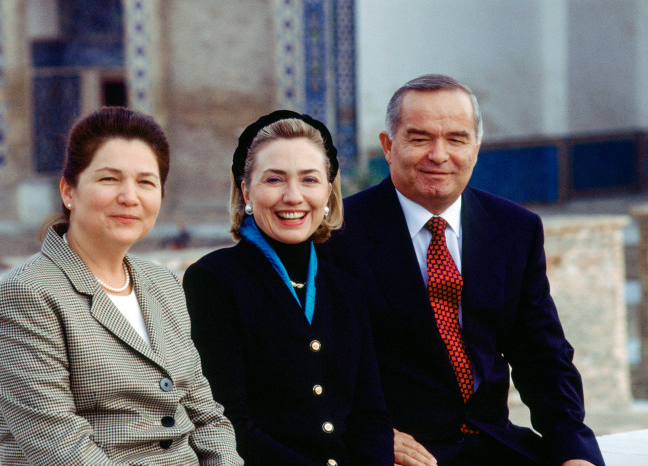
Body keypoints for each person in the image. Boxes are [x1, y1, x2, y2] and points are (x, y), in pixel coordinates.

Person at [325, 75, 605, 466]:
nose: (439, 155)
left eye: (456, 139)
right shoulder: (336, 236)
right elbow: (314, 365)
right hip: (397, 452)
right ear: (388, 146)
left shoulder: (514, 229)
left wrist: (574, 452)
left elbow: (543, 356)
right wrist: (366, 434)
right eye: (419, 138)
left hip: (495, 445)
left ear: (476, 148)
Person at [0, 107, 242, 466]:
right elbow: (61, 449)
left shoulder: (162, 284)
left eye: (146, 182)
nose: (130, 197)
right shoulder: (27, 296)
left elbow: (206, 414)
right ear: (69, 191)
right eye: (109, 179)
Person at [182, 110, 394, 466]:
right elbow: (228, 422)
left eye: (309, 180)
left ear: (328, 192)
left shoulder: (348, 290)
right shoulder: (213, 280)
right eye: (275, 180)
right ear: (246, 189)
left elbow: (369, 415)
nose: (293, 196)